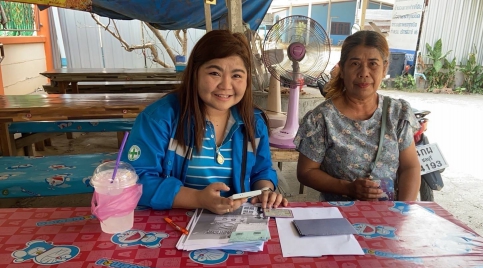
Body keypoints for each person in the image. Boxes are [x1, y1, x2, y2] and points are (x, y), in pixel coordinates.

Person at [122, 30, 288, 214]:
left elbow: (261, 170)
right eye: (215, 73)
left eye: (236, 75)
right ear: (195, 74)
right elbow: (135, 180)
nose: (226, 85)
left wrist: (265, 191)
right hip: (174, 222)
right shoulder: (159, 119)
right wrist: (198, 199)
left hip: (236, 224)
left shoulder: (253, 122)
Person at [294, 30, 421, 202]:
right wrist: (347, 188)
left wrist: (403, 212)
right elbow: (306, 172)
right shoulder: (322, 119)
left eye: (373, 64)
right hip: (337, 217)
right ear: (342, 69)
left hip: (389, 217)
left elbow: (410, 167)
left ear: (385, 69)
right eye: (355, 64)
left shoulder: (397, 113)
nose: (364, 72)